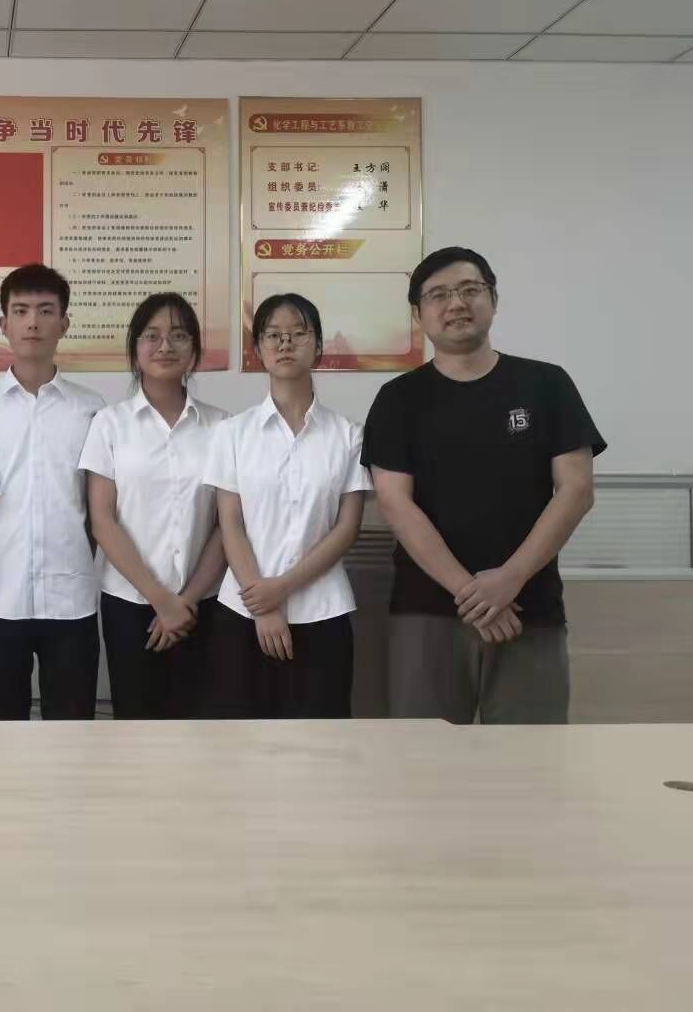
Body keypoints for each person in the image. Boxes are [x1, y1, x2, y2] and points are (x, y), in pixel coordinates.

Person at [363, 246, 606, 724]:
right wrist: (473, 594)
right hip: (427, 612)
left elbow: (576, 491)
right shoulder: (397, 400)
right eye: (438, 295)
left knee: (530, 760)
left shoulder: (547, 384)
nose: (455, 303)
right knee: (425, 760)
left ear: (493, 299)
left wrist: (511, 578)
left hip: (528, 609)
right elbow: (396, 505)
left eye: (469, 290)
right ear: (418, 315)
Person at [205, 294, 370, 719]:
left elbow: (347, 528)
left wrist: (280, 589)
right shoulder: (232, 433)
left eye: (298, 333)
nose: (285, 344)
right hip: (242, 612)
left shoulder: (348, 435)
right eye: (273, 335)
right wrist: (263, 604)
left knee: (320, 741)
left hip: (323, 610)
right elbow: (230, 523)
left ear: (319, 346)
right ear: (257, 349)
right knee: (241, 739)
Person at [79, 293, 227, 719]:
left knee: (202, 723)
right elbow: (102, 520)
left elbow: (227, 524)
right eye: (152, 335)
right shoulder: (109, 424)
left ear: (194, 349)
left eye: (179, 335)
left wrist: (186, 601)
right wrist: (161, 599)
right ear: (135, 347)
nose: (165, 346)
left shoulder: (222, 426)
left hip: (204, 603)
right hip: (129, 603)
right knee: (137, 723)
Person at [0, 265, 105, 720]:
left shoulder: (91, 409)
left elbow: (97, 509)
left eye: (46, 311)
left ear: (64, 324)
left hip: (72, 599)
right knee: (0, 724)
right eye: (21, 311)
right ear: (3, 323)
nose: (33, 323)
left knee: (72, 728)